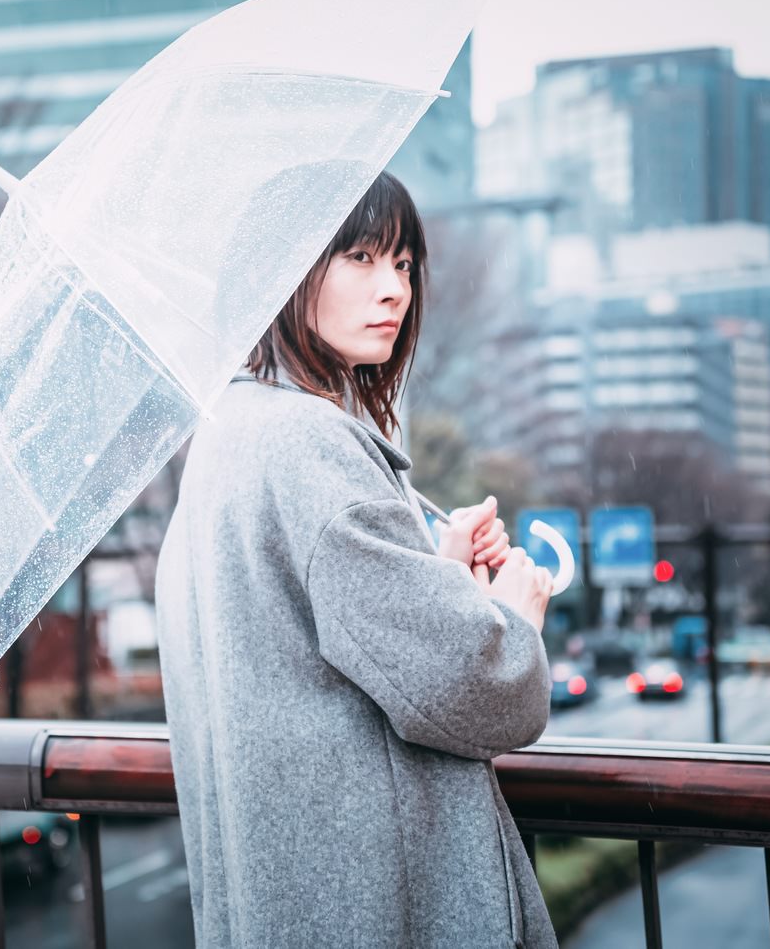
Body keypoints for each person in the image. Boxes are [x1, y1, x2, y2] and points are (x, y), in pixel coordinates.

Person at [154, 170, 558, 948]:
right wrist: (510, 614)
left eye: (404, 264)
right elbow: (479, 689)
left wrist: (435, 575)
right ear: (286, 271)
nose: (395, 291)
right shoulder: (309, 443)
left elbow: (314, 636)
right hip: (378, 908)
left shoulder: (226, 435)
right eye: (362, 258)